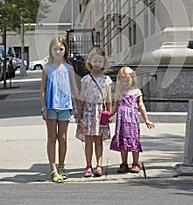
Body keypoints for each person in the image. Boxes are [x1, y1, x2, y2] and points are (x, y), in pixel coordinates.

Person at [40, 37, 78, 183]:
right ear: (51, 51)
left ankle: (62, 166)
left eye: (61, 49)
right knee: (52, 138)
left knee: (62, 138)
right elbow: (42, 90)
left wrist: (78, 106)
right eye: (55, 49)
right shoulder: (46, 68)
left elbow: (74, 88)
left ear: (65, 50)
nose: (58, 51)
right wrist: (43, 107)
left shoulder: (69, 68)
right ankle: (53, 169)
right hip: (50, 107)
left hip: (65, 107)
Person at [75, 47, 112, 177]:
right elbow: (81, 95)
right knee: (89, 139)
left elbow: (108, 98)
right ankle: (88, 165)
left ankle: (99, 165)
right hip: (88, 111)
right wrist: (79, 110)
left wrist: (110, 113)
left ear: (104, 63)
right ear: (90, 62)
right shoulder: (86, 79)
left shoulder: (107, 80)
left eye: (100, 61)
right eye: (95, 61)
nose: (97, 63)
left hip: (100, 111)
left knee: (99, 139)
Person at [110, 66, 155, 173]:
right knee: (123, 143)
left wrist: (146, 119)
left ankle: (135, 163)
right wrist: (110, 114)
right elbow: (115, 106)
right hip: (121, 122)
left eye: (128, 80)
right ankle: (124, 163)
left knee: (134, 141)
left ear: (133, 79)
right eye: (123, 80)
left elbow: (141, 106)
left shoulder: (136, 92)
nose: (125, 83)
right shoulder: (119, 93)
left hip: (132, 122)